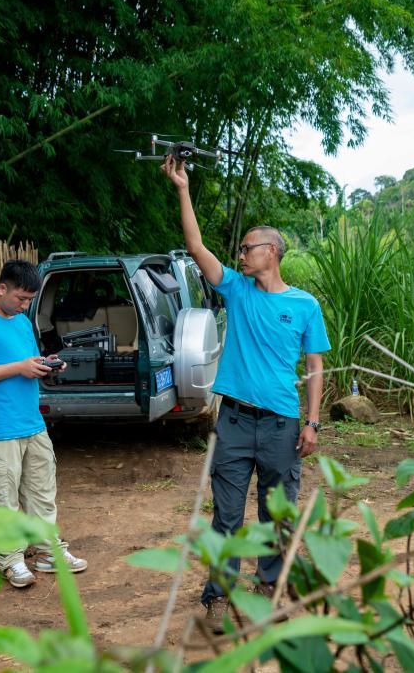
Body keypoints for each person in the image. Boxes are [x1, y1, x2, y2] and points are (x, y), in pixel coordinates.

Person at [162, 156, 330, 632]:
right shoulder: (236, 290)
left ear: (271, 252)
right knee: (226, 517)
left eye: (248, 248)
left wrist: (312, 422)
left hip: (281, 424)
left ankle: (270, 590)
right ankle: (218, 597)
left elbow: (316, 367)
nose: (241, 254)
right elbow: (195, 247)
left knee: (276, 515)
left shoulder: (305, 305)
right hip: (233, 422)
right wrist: (182, 189)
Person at [0, 259, 88, 588]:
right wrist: (19, 367)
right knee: (4, 497)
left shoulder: (20, 321)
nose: (25, 305)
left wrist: (46, 366)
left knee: (43, 493)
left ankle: (48, 552)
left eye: (30, 299)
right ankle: (10, 560)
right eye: (21, 298)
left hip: (32, 423)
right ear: (2, 288)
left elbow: (26, 362)